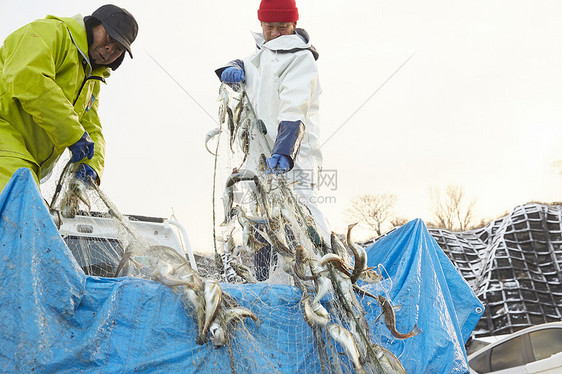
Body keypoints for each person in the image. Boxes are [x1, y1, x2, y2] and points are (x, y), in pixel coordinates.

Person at [216, 0, 330, 280]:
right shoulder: (259, 54)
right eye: (270, 27)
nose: (276, 33)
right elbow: (252, 67)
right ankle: (265, 284)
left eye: (283, 27)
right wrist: (231, 67)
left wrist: (286, 149)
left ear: (294, 25)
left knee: (300, 219)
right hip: (259, 161)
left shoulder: (300, 58)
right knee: (260, 223)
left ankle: (322, 276)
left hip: (292, 157)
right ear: (261, 25)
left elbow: (295, 106)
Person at [0, 4, 138, 192]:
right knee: (22, 203)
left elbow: (91, 129)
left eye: (119, 49)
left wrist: (92, 165)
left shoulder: (91, 81)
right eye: (108, 37)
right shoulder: (51, 32)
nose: (109, 49)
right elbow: (29, 78)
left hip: (22, 159)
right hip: (5, 139)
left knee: (28, 205)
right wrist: (73, 134)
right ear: (94, 24)